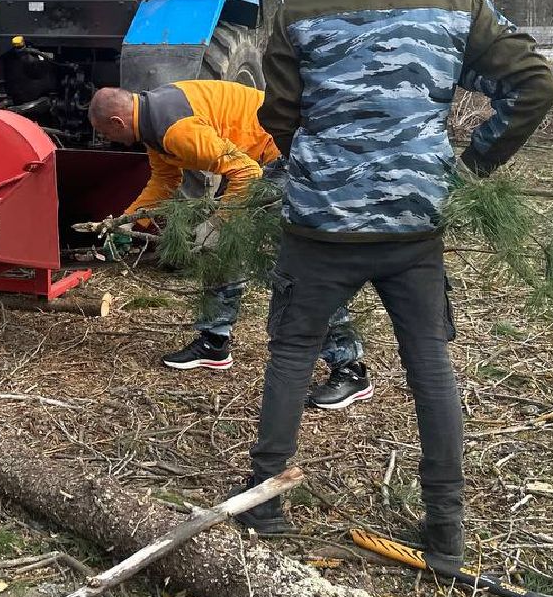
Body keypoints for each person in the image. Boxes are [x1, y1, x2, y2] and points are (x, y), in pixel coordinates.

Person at [233, 0, 553, 565]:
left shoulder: (299, 8)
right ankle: (446, 529)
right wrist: (473, 165)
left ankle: (263, 506)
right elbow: (534, 84)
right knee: (429, 365)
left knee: (293, 352)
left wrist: (322, 168)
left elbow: (280, 115)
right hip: (415, 224)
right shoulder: (457, 5)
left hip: (320, 225)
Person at [88, 81, 373, 409]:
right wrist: (127, 222)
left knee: (298, 267)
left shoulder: (175, 129)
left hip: (286, 155)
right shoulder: (152, 124)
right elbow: (165, 180)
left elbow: (246, 172)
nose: (109, 140)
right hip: (257, 162)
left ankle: (350, 369)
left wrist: (218, 223)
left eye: (106, 134)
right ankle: (214, 341)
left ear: (117, 122)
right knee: (219, 250)